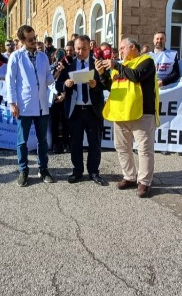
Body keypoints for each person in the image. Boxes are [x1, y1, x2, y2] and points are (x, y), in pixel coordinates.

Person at [98, 37, 158, 198]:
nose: (121, 51)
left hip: (142, 112)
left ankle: (144, 181)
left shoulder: (147, 61)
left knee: (144, 150)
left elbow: (136, 76)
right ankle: (130, 176)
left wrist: (116, 65)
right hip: (121, 113)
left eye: (123, 48)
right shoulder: (121, 65)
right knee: (122, 147)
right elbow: (111, 86)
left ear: (132, 47)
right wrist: (103, 74)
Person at [6, 25, 55, 187]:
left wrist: (55, 75)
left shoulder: (43, 57)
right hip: (24, 105)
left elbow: (48, 79)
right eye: (30, 39)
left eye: (35, 37)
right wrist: (12, 103)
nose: (35, 41)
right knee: (22, 141)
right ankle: (24, 170)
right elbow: (10, 81)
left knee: (42, 140)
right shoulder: (16, 57)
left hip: (42, 105)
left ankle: (43, 168)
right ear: (22, 41)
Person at [56, 35, 108, 186]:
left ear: (89, 48)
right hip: (75, 110)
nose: (80, 51)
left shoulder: (97, 63)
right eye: (77, 48)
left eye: (83, 49)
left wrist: (95, 85)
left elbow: (107, 84)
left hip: (93, 110)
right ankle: (77, 171)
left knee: (94, 143)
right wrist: (65, 83)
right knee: (75, 143)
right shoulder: (68, 64)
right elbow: (57, 84)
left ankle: (94, 172)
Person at [49, 43, 74, 154]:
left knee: (65, 121)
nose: (68, 53)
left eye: (70, 50)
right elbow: (51, 81)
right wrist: (58, 70)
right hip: (54, 97)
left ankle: (66, 143)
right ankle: (55, 144)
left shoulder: (71, 65)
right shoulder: (54, 66)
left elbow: (70, 81)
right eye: (66, 51)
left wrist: (64, 94)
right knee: (54, 121)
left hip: (66, 96)